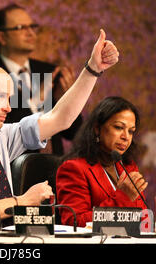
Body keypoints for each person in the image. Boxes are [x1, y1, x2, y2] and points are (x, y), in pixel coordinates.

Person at [0, 27, 119, 224]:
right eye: (0, 97)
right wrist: (23, 201)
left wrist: (93, 69)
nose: (8, 108)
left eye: (8, 98)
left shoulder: (2, 136)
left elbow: (60, 118)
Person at [0, 3, 83, 155]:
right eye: (21, 28)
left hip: (55, 169)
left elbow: (74, 133)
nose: (31, 33)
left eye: (32, 26)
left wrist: (67, 100)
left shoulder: (50, 72)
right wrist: (38, 101)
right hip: (13, 171)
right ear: (1, 37)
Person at [56, 96, 148, 228]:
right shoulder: (73, 169)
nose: (126, 137)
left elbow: (143, 218)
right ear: (97, 129)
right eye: (118, 127)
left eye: (131, 131)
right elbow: (75, 222)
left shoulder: (128, 167)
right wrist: (123, 197)